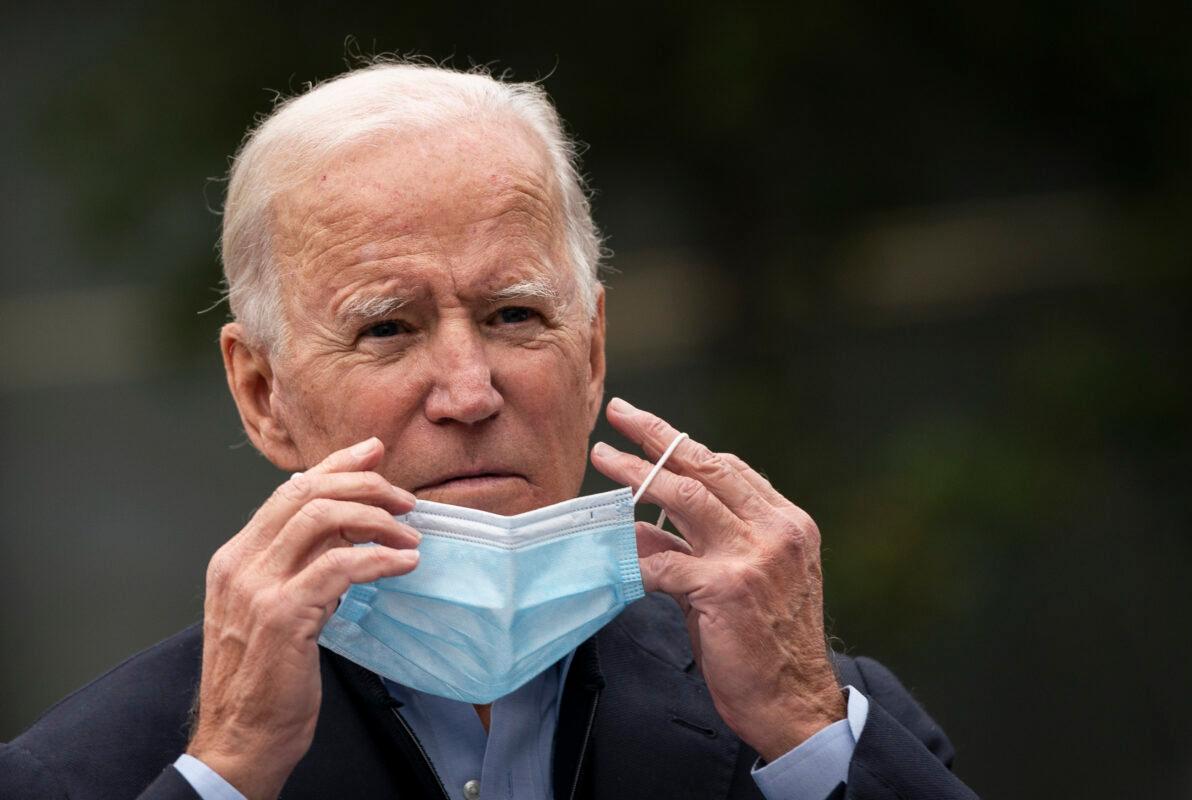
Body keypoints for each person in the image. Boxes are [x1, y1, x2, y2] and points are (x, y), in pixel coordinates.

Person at [0, 62, 977, 800]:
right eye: (388, 327)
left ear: (591, 350)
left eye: (514, 315)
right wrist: (227, 774)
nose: (470, 391)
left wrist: (803, 732)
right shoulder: (90, 771)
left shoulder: (815, 715)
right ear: (263, 393)